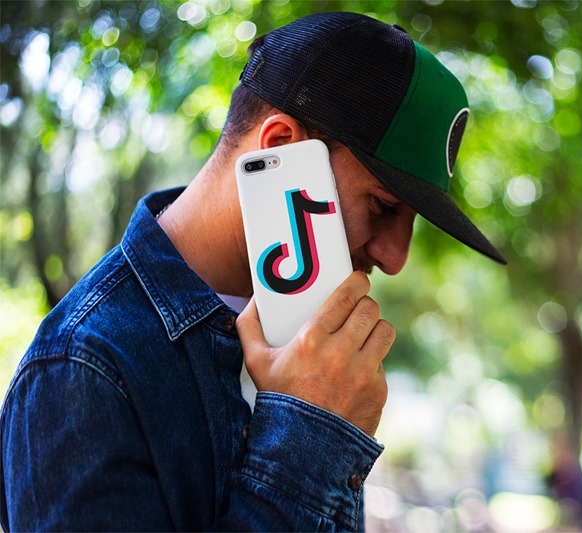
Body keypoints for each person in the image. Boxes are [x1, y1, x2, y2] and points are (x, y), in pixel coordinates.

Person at [0, 11, 506, 531]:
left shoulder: (308, 340)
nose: (395, 258)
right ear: (281, 147)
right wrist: (310, 432)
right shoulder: (82, 368)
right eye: (382, 205)